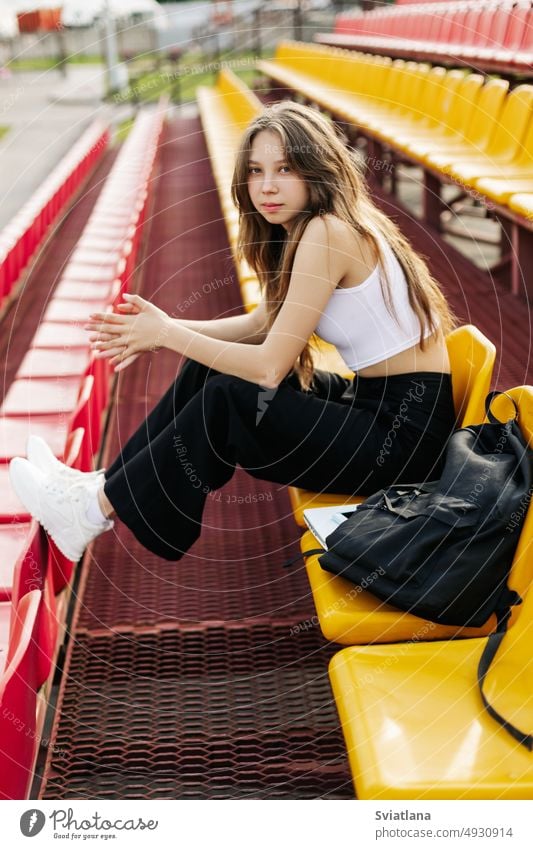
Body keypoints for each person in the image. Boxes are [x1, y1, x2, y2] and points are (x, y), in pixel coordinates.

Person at [9, 100, 457, 563]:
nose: (266, 186)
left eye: (285, 168)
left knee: (228, 400)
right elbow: (262, 324)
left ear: (316, 168)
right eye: (256, 170)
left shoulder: (328, 232)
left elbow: (267, 367)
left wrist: (165, 334)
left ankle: (89, 511)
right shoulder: (322, 225)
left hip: (401, 441)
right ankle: (100, 488)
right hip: (379, 408)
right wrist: (160, 327)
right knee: (209, 365)